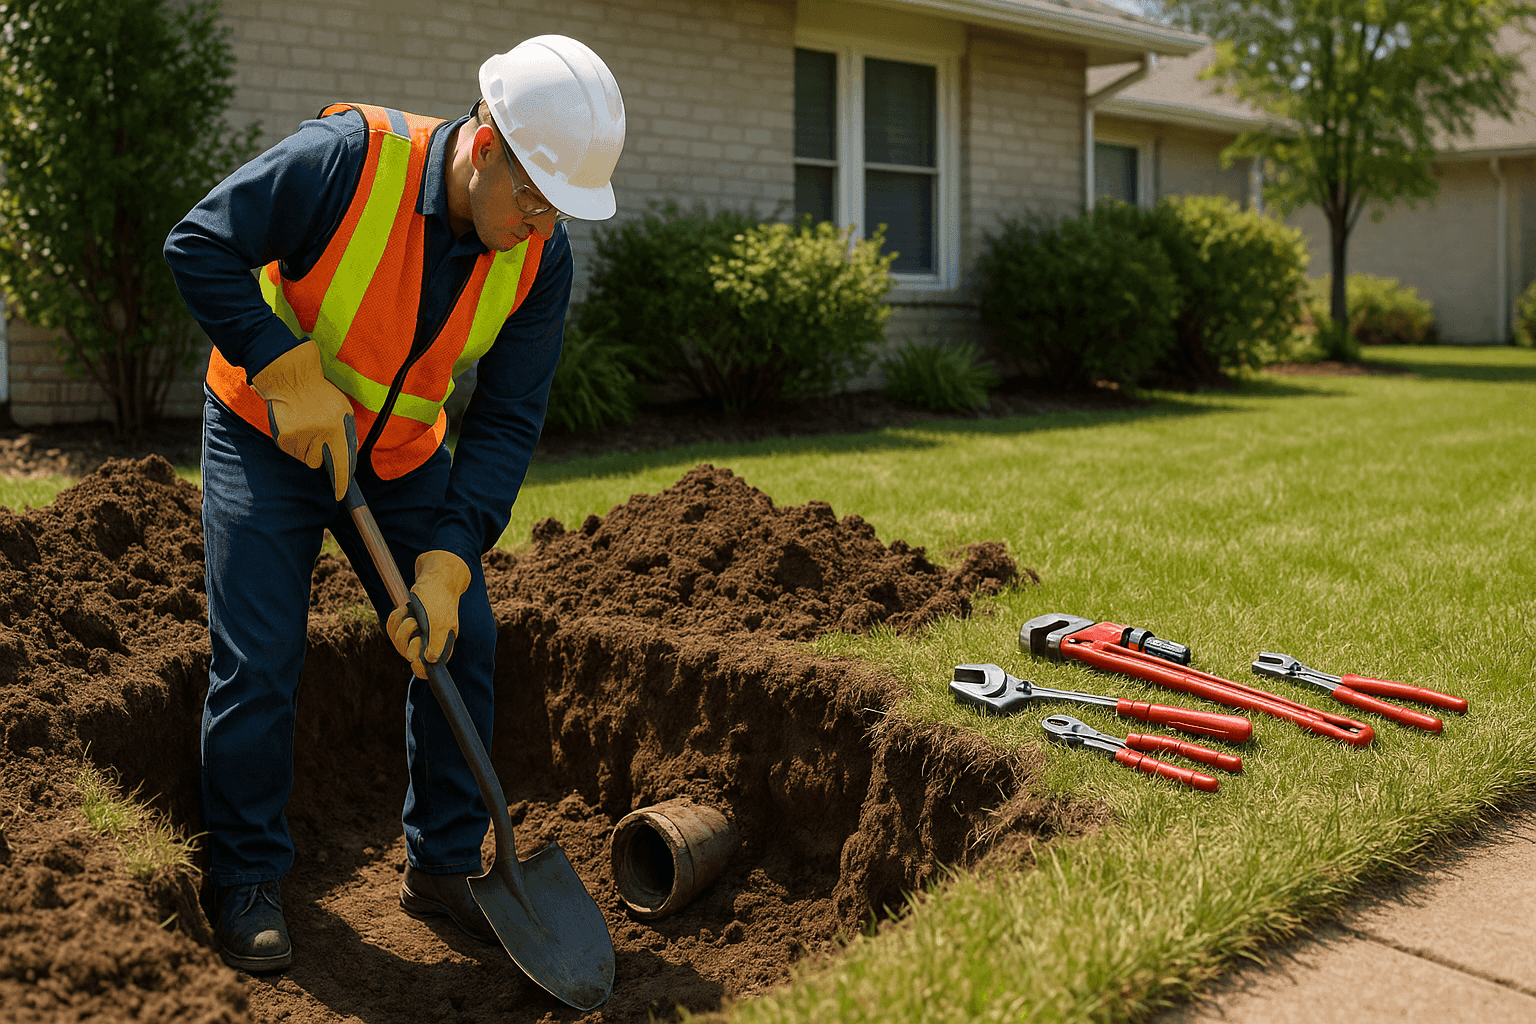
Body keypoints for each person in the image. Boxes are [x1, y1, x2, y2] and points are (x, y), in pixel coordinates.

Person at [164, 35, 625, 973]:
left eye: (559, 210)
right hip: (268, 428)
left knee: (466, 640)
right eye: (533, 197)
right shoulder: (346, 161)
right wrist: (280, 363)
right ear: (484, 144)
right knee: (261, 657)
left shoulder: (540, 259)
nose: (539, 225)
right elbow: (199, 242)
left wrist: (451, 562)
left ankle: (446, 864)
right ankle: (247, 876)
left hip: (401, 456)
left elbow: (505, 423)